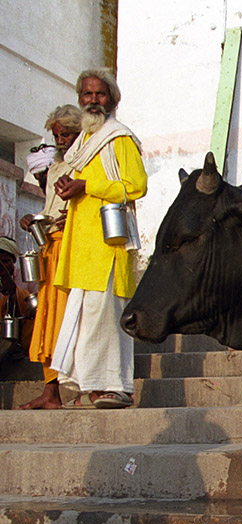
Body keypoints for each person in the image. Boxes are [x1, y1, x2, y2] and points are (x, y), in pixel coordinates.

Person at [50, 68, 147, 409]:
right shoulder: (82, 144)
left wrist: (87, 186)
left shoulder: (117, 138)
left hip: (108, 247)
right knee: (85, 322)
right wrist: (69, 188)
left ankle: (116, 387)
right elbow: (81, 188)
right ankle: (93, 388)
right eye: (87, 94)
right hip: (82, 250)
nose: (93, 100)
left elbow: (136, 186)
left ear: (112, 100)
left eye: (100, 94)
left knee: (104, 319)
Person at [18, 105, 83, 409]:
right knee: (48, 323)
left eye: (65, 134)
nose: (60, 140)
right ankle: (51, 392)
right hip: (52, 252)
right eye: (56, 135)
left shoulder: (89, 164)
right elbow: (52, 210)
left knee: (79, 322)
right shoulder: (56, 169)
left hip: (78, 251)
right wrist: (35, 219)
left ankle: (90, 389)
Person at [0, 237, 34, 365]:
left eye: (5, 261)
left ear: (13, 261)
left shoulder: (25, 276)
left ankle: (14, 345)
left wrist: (13, 293)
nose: (2, 266)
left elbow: (38, 299)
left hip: (23, 327)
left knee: (19, 295)